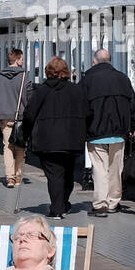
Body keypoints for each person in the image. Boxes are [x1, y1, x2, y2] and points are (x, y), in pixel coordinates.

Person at [22, 56, 87, 219]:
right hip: (72, 139)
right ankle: (63, 202)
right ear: (65, 72)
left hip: (47, 140)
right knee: (68, 173)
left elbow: (29, 114)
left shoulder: (42, 91)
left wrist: (25, 134)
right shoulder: (76, 90)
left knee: (54, 175)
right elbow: (87, 112)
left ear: (48, 72)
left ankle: (57, 209)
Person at [80, 48, 135, 217]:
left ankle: (100, 204)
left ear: (94, 61)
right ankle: (113, 202)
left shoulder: (87, 80)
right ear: (109, 60)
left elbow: (81, 106)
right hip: (119, 132)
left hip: (95, 132)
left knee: (99, 168)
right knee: (115, 168)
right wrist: (133, 125)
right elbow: (133, 104)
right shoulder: (122, 79)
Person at [0, 48, 30, 189]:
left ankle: (9, 178)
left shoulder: (0, 76)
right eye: (22, 58)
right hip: (20, 117)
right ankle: (18, 176)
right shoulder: (24, 76)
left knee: (7, 147)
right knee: (20, 148)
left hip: (4, 116)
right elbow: (28, 99)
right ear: (18, 59)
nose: (23, 61)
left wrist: (0, 111)